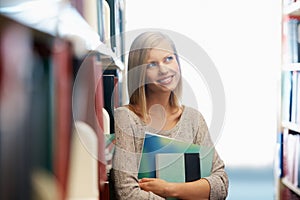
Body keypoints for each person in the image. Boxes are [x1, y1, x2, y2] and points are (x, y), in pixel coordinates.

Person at [111, 31, 228, 200]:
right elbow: (127, 193)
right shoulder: (127, 118)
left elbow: (220, 185)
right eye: (152, 64)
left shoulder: (193, 119)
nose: (163, 69)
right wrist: (193, 192)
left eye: (168, 59)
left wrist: (168, 189)